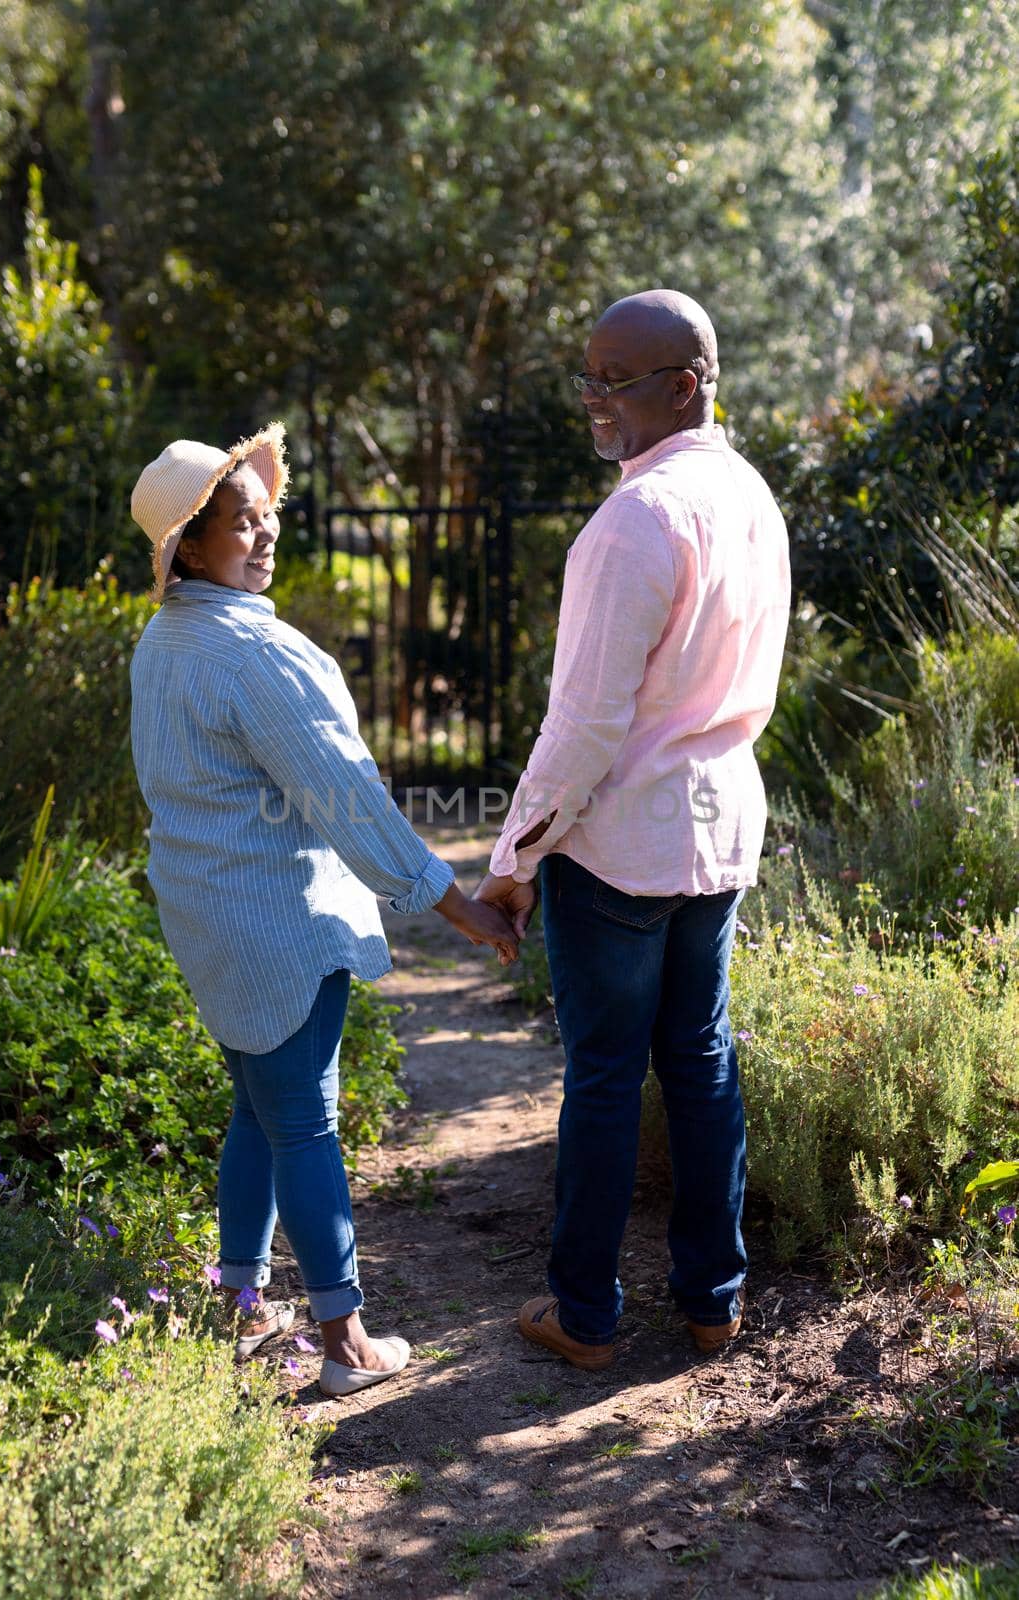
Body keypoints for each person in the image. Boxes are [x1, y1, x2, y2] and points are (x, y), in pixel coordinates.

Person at [129, 424, 517, 1397]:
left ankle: (241, 1309)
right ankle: (343, 1345)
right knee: (303, 1123)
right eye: (238, 524)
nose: (263, 537)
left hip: (212, 916)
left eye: (267, 518)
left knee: (258, 1116)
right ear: (188, 546)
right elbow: (345, 795)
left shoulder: (166, 637)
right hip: (276, 923)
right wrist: (455, 904)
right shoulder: (246, 650)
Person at [475, 291, 790, 1369]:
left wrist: (512, 859)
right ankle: (714, 1301)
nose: (593, 400)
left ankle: (585, 1315)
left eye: (614, 380)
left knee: (608, 1076)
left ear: (686, 385)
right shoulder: (749, 497)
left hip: (619, 844)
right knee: (699, 1059)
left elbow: (584, 724)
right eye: (588, 378)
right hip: (717, 833)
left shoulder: (633, 522)